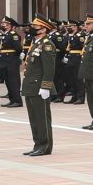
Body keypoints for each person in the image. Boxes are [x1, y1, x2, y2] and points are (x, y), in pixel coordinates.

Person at [21, 17, 59, 156]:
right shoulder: (36, 43)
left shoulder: (47, 45)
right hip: (30, 86)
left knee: (42, 118)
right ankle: (38, 144)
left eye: (35, 26)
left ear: (43, 29)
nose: (31, 28)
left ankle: (45, 146)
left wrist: (45, 86)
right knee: (34, 118)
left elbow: (49, 69)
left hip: (39, 86)